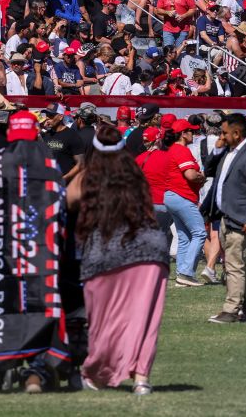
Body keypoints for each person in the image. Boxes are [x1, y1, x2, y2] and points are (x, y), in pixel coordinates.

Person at [68, 120, 169, 394]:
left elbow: (68, 200)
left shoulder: (90, 175)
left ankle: (97, 373)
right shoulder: (135, 172)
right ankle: (141, 378)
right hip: (150, 249)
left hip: (106, 252)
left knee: (104, 319)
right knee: (144, 318)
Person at [205, 112, 246, 324]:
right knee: (242, 263)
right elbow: (209, 170)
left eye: (225, 133)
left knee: (233, 265)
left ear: (236, 132)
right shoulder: (227, 151)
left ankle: (231, 309)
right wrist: (216, 149)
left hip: (241, 219)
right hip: (225, 216)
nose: (221, 136)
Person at [138, 122, 206, 286]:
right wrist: (202, 177)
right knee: (199, 233)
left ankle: (181, 275)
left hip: (163, 198)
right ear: (183, 133)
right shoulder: (181, 150)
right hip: (179, 195)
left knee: (183, 237)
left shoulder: (168, 151)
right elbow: (190, 175)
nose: (193, 134)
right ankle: (186, 273)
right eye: (191, 131)